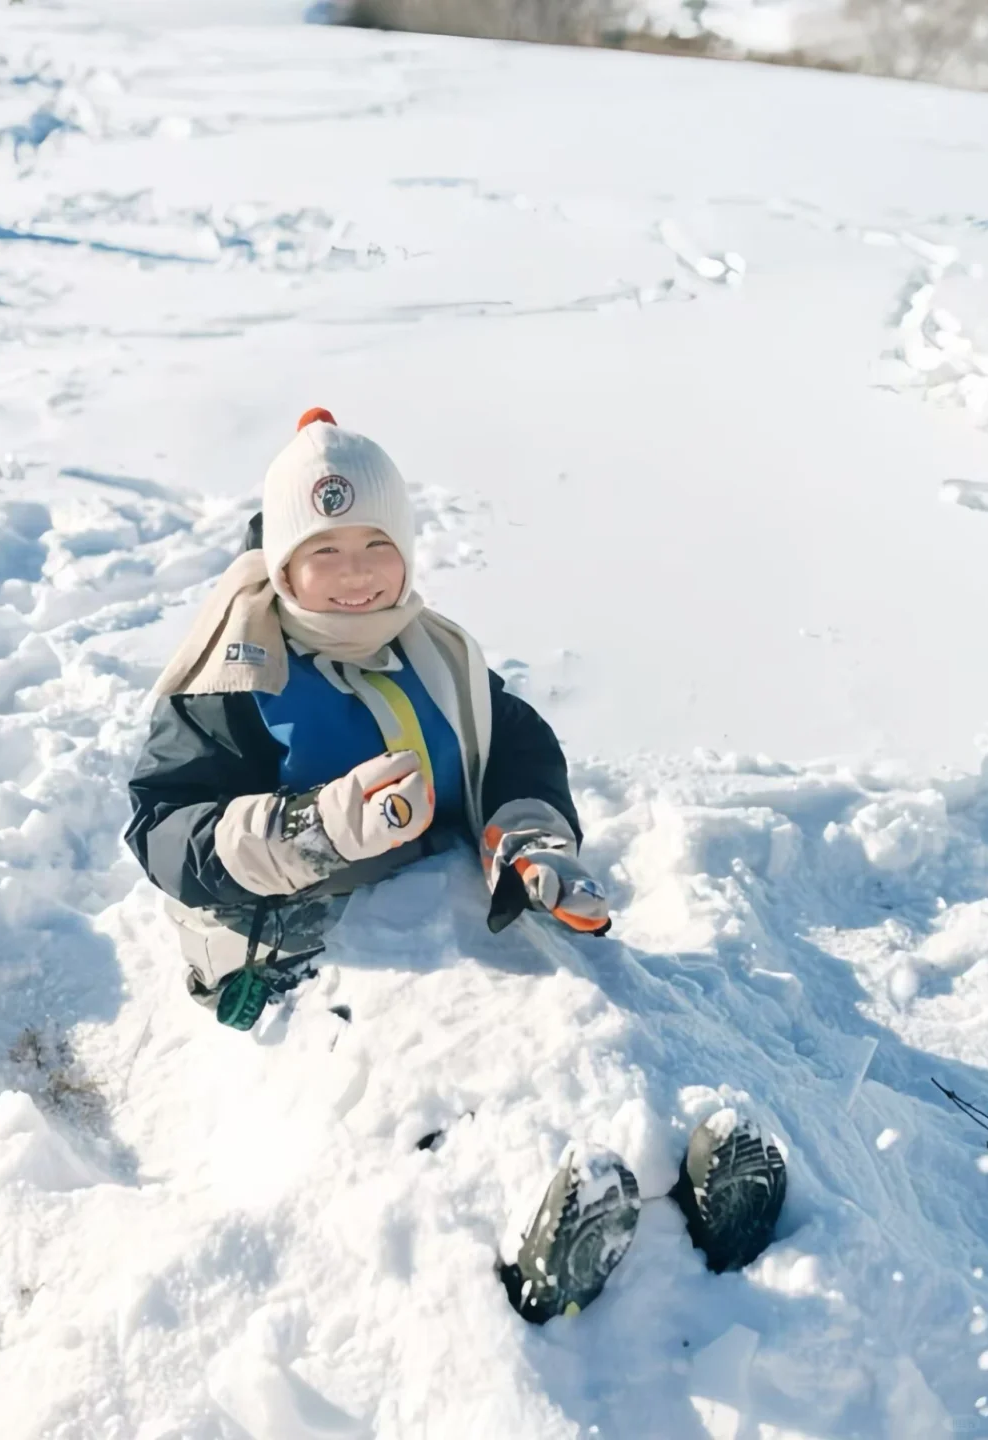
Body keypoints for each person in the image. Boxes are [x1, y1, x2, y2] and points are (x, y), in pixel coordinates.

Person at [125, 408, 786, 1322]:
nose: (355, 575)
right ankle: (523, 1237)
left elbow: (516, 743)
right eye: (324, 551)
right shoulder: (232, 680)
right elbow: (166, 830)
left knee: (580, 999)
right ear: (282, 565)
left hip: (457, 902)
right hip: (322, 951)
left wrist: (527, 835)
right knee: (427, 1071)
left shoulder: (433, 652)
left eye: (375, 545)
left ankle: (696, 1171)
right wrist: (315, 827)